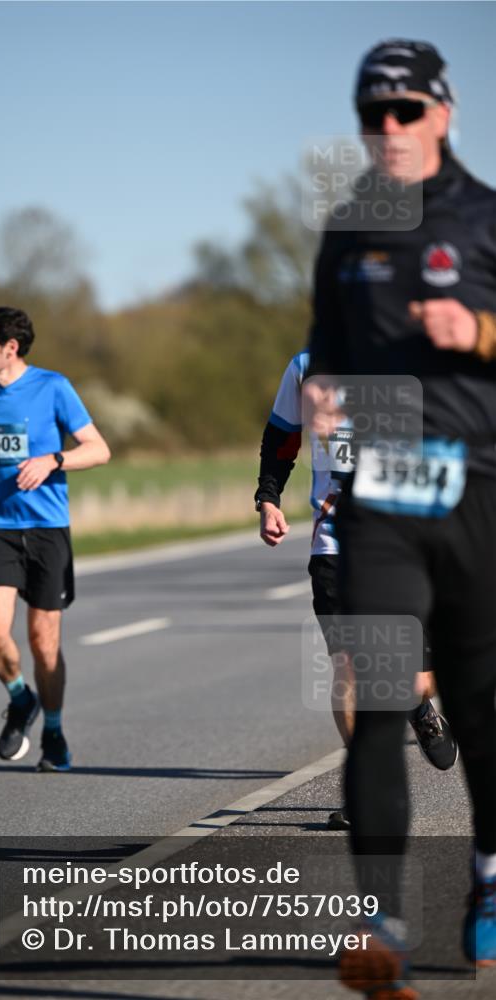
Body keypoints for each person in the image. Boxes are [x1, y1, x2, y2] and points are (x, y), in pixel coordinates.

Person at [304, 40, 496, 995]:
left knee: (478, 709)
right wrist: (322, 399)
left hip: (480, 496)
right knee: (377, 695)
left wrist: (483, 332)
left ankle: (487, 880)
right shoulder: (346, 232)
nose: (387, 129)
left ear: (443, 112)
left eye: (405, 110)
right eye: (370, 113)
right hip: (381, 497)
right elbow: (324, 354)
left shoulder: (488, 219)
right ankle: (378, 923)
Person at [256, 350, 457, 830]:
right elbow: (282, 437)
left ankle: (417, 705)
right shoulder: (307, 365)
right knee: (347, 665)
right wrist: (268, 497)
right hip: (334, 545)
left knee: (412, 679)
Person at [0, 307, 110, 772]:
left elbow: (99, 449)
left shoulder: (53, 387)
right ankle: (21, 699)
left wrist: (53, 461)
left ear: (10, 348)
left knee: (43, 641)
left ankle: (54, 733)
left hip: (46, 530)